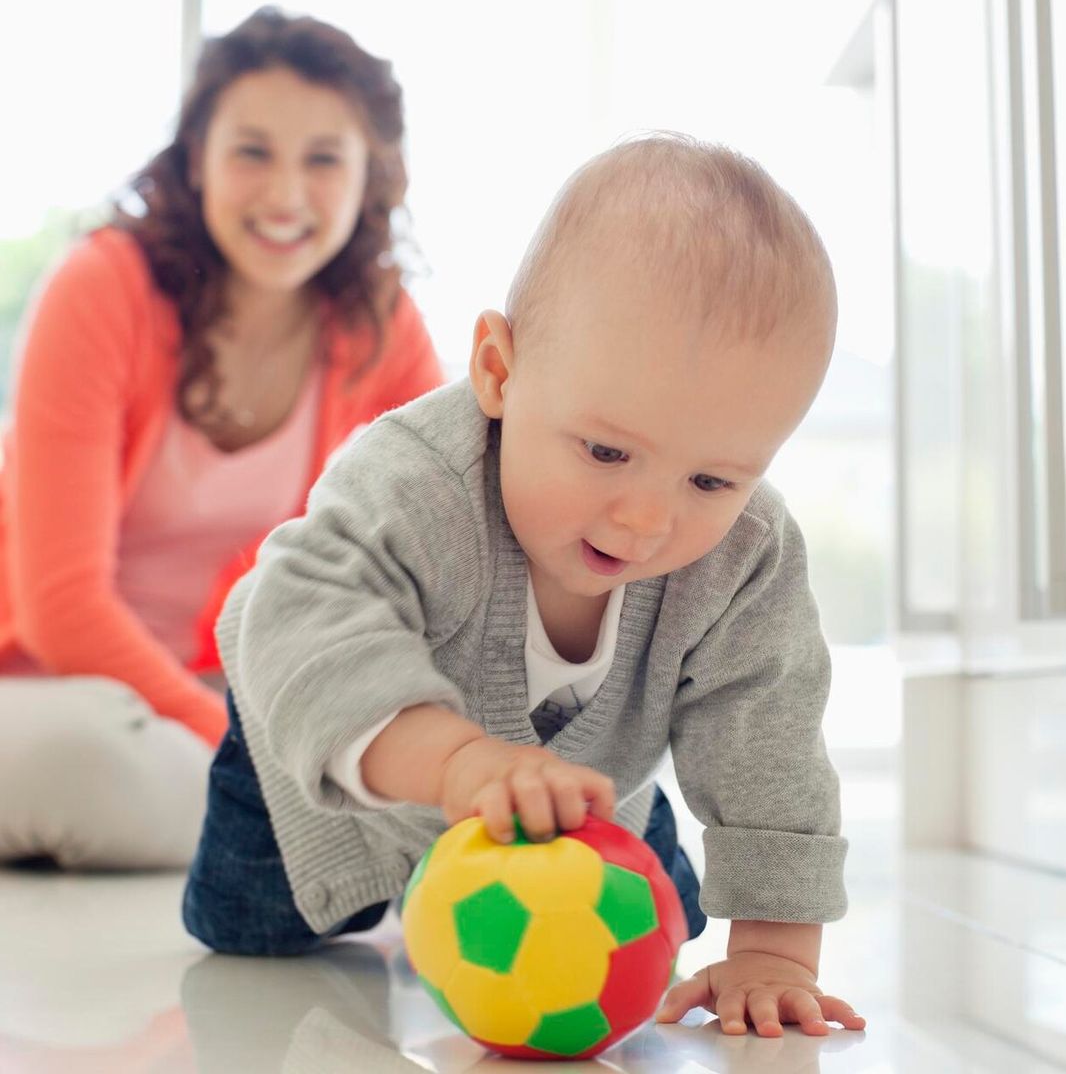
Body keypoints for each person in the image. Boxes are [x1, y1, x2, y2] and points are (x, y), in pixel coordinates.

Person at [184, 133, 868, 1038]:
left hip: (571, 785)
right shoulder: (415, 482)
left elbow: (768, 734)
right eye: (607, 452)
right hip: (313, 755)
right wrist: (456, 765)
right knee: (252, 935)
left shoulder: (745, 554)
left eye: (711, 481)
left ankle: (613, 818)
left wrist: (776, 953)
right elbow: (309, 618)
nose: (644, 521)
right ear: (499, 372)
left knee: (669, 923)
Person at [0, 8, 443, 870]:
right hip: (45, 686)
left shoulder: (382, 331)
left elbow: (446, 562)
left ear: (371, 177)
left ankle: (282, 832)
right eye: (252, 151)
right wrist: (259, 757)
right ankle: (292, 831)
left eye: (323, 159)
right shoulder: (101, 289)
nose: (284, 194)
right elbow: (64, 613)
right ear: (196, 157)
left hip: (215, 694)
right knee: (87, 754)